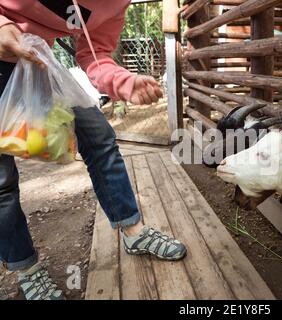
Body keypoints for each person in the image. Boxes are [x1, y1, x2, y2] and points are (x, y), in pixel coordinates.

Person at [0, 0, 187, 300]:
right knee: (1, 181)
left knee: (99, 137)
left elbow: (94, 53)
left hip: (37, 60)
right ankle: (27, 269)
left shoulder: (115, 4)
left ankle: (133, 232)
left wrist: (123, 82)